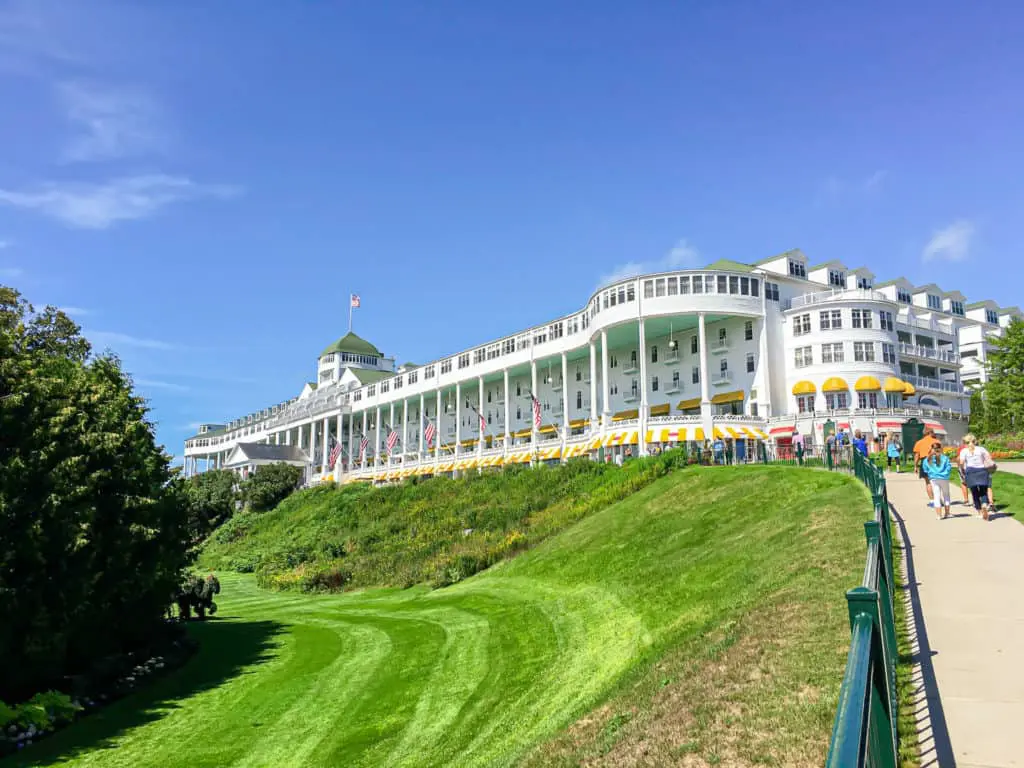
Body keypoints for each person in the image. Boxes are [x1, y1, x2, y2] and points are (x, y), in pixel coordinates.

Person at [959, 433, 995, 520]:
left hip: (970, 471)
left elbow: (961, 463)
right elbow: (989, 458)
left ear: (965, 442)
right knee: (983, 490)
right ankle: (984, 504)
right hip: (982, 471)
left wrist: (962, 471)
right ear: (975, 441)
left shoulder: (964, 451)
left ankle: (979, 512)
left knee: (974, 492)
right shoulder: (981, 449)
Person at [922, 442, 953, 519]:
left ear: (931, 449)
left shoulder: (928, 459)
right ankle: (947, 513)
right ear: (940, 448)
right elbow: (949, 467)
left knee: (936, 496)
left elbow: (925, 469)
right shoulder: (945, 458)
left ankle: (939, 515)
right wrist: (945, 473)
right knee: (946, 495)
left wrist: (931, 472)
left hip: (934, 478)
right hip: (944, 478)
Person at [913, 428, 938, 502]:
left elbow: (917, 456)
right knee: (936, 481)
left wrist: (915, 466)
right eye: (933, 432)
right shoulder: (936, 441)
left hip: (925, 461)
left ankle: (932, 500)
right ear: (930, 433)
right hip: (936, 460)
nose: (934, 433)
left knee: (928, 482)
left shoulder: (919, 442)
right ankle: (937, 498)